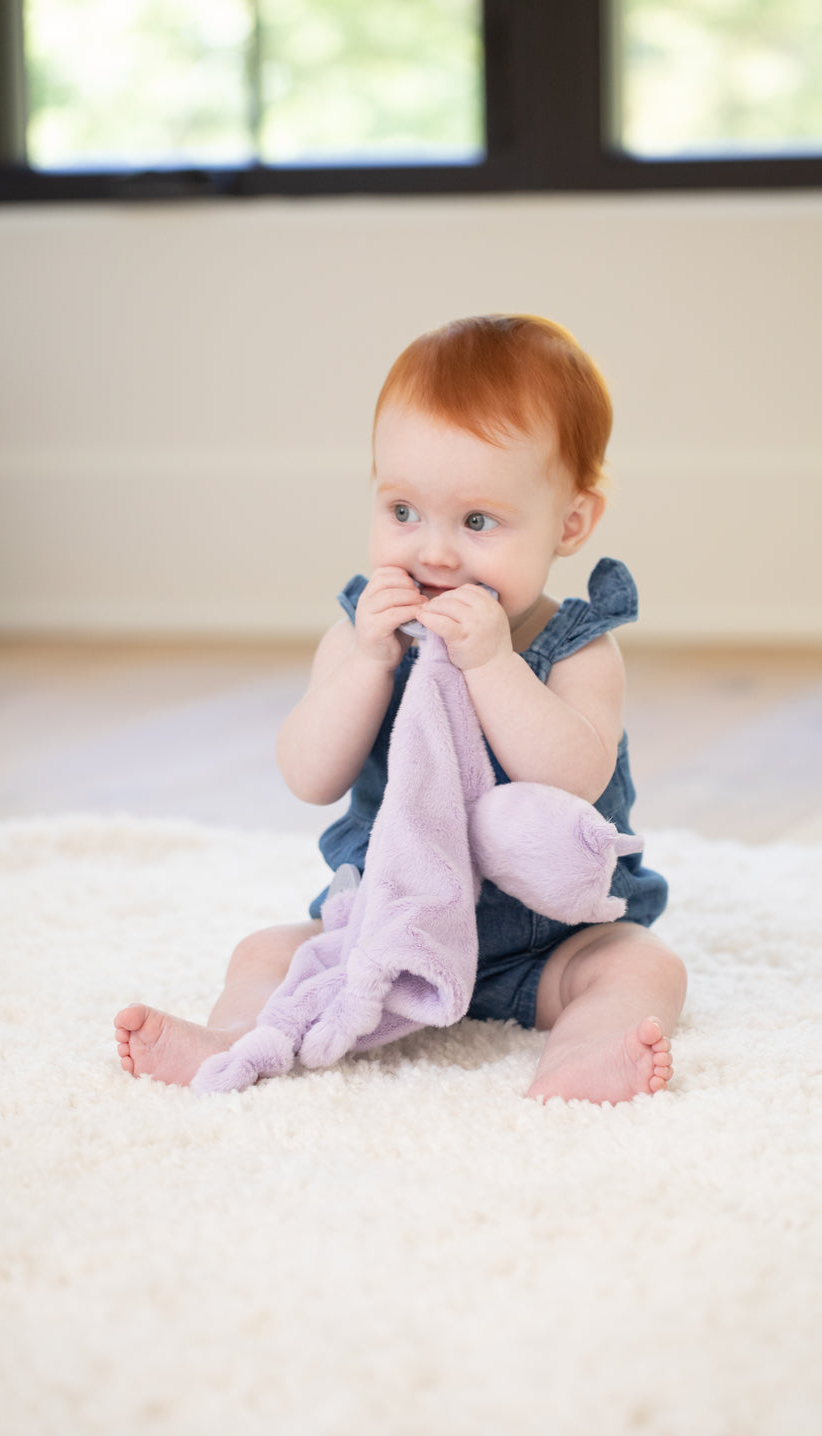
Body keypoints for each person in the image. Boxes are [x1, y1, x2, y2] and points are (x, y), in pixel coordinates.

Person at [115, 314, 687, 1103]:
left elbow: (575, 777)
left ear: (571, 524)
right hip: (382, 934)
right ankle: (234, 1036)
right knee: (264, 951)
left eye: (478, 522)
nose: (435, 552)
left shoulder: (579, 646)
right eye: (403, 513)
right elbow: (308, 775)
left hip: (545, 945)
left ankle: (585, 1053)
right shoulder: (362, 634)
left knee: (642, 966)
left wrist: (492, 663)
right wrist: (367, 665)